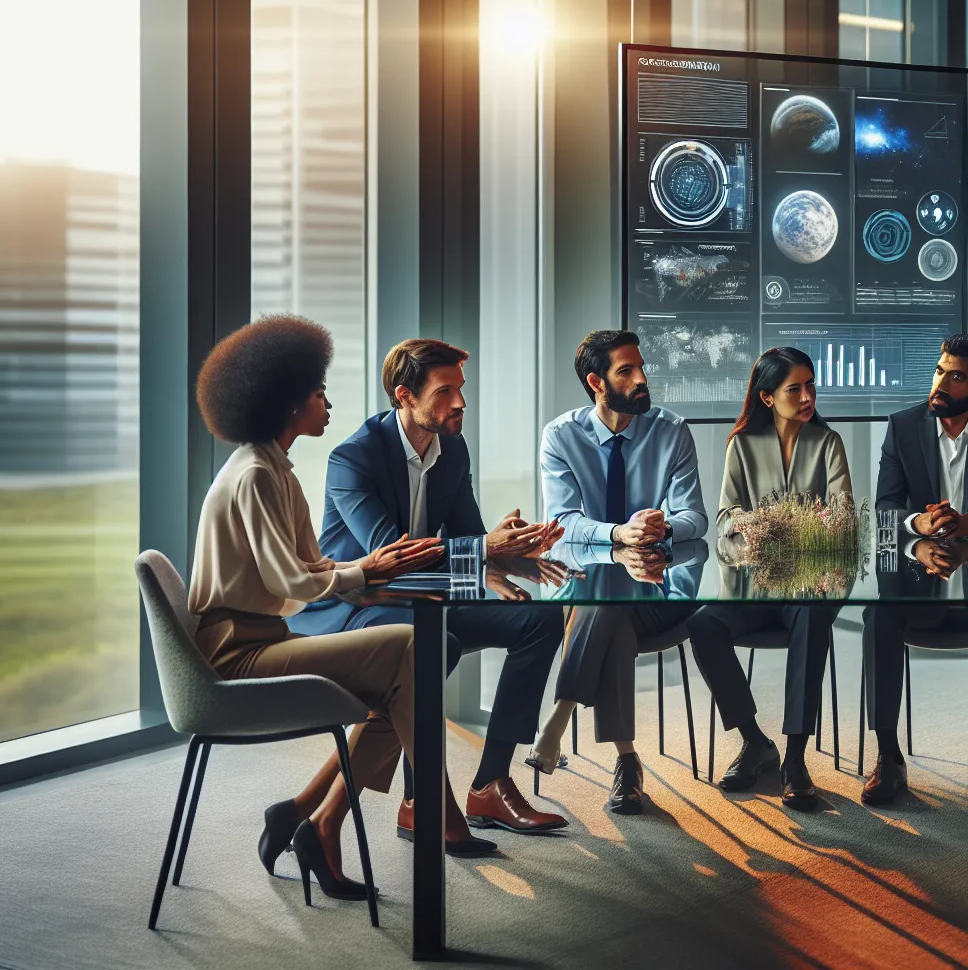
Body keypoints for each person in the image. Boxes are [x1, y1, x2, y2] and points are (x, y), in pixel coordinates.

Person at [186, 315, 445, 902]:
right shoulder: (255, 474)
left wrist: (371, 565)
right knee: (412, 650)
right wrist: (365, 572)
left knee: (406, 671)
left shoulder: (277, 469)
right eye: (320, 393)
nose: (329, 404)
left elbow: (314, 563)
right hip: (235, 656)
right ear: (289, 400)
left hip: (264, 639)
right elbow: (290, 580)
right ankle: (423, 808)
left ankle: (316, 818)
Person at [287, 338, 569, 848]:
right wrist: (482, 550)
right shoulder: (352, 458)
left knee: (539, 621)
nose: (460, 402)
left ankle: (490, 784)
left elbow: (468, 535)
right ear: (405, 396)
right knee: (435, 646)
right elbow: (392, 555)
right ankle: (422, 804)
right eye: (444, 392)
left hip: (426, 596)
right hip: (357, 605)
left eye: (461, 389)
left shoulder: (452, 447)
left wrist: (509, 554)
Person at [522, 330, 708, 814]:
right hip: (594, 592)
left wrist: (663, 525)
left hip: (658, 597)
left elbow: (696, 518)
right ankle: (627, 763)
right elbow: (562, 523)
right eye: (626, 371)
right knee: (609, 611)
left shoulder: (671, 431)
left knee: (604, 607)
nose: (641, 378)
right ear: (596, 382)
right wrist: (618, 534)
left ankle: (559, 718)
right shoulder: (561, 436)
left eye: (641, 367)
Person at [862, 333, 968, 805]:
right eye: (940, 371)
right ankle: (888, 755)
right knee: (878, 616)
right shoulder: (902, 426)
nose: (939, 384)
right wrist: (918, 526)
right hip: (917, 586)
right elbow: (885, 507)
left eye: (955, 376)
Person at [687, 348, 850, 811]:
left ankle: (795, 759)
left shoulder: (828, 442)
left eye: (810, 385)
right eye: (794, 389)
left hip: (811, 585)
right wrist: (772, 524)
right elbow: (726, 519)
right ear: (766, 397)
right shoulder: (742, 444)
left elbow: (841, 517)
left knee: (811, 616)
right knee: (702, 623)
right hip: (754, 588)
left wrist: (771, 523)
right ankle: (755, 741)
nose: (807, 397)